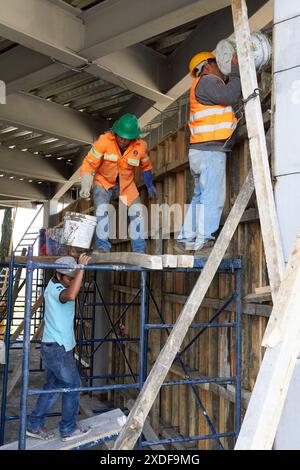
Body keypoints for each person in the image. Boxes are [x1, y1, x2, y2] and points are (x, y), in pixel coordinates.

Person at [175, 51, 241, 254]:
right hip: (210, 152)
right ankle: (204, 242)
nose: (220, 67)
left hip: (199, 151)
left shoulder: (200, 86)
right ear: (206, 67)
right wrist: (237, 72)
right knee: (212, 197)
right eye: (216, 63)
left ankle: (185, 240)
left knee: (200, 197)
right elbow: (229, 95)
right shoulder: (207, 81)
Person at [27, 254, 91, 441]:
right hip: (57, 349)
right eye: (69, 278)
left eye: (73, 278)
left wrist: (77, 268)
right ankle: (68, 429)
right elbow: (71, 295)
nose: (71, 281)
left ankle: (34, 425)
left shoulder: (58, 284)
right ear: (58, 275)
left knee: (53, 387)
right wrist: (81, 269)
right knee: (73, 385)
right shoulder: (55, 289)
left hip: (59, 348)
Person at [80, 113, 156, 254]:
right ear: (115, 132)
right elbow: (88, 164)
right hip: (103, 182)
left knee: (137, 212)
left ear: (133, 137)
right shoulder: (104, 141)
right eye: (120, 136)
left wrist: (149, 183)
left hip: (126, 185)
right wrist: (85, 184)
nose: (122, 140)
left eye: (126, 138)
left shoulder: (141, 146)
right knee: (102, 211)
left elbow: (146, 166)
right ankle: (103, 247)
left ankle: (139, 250)